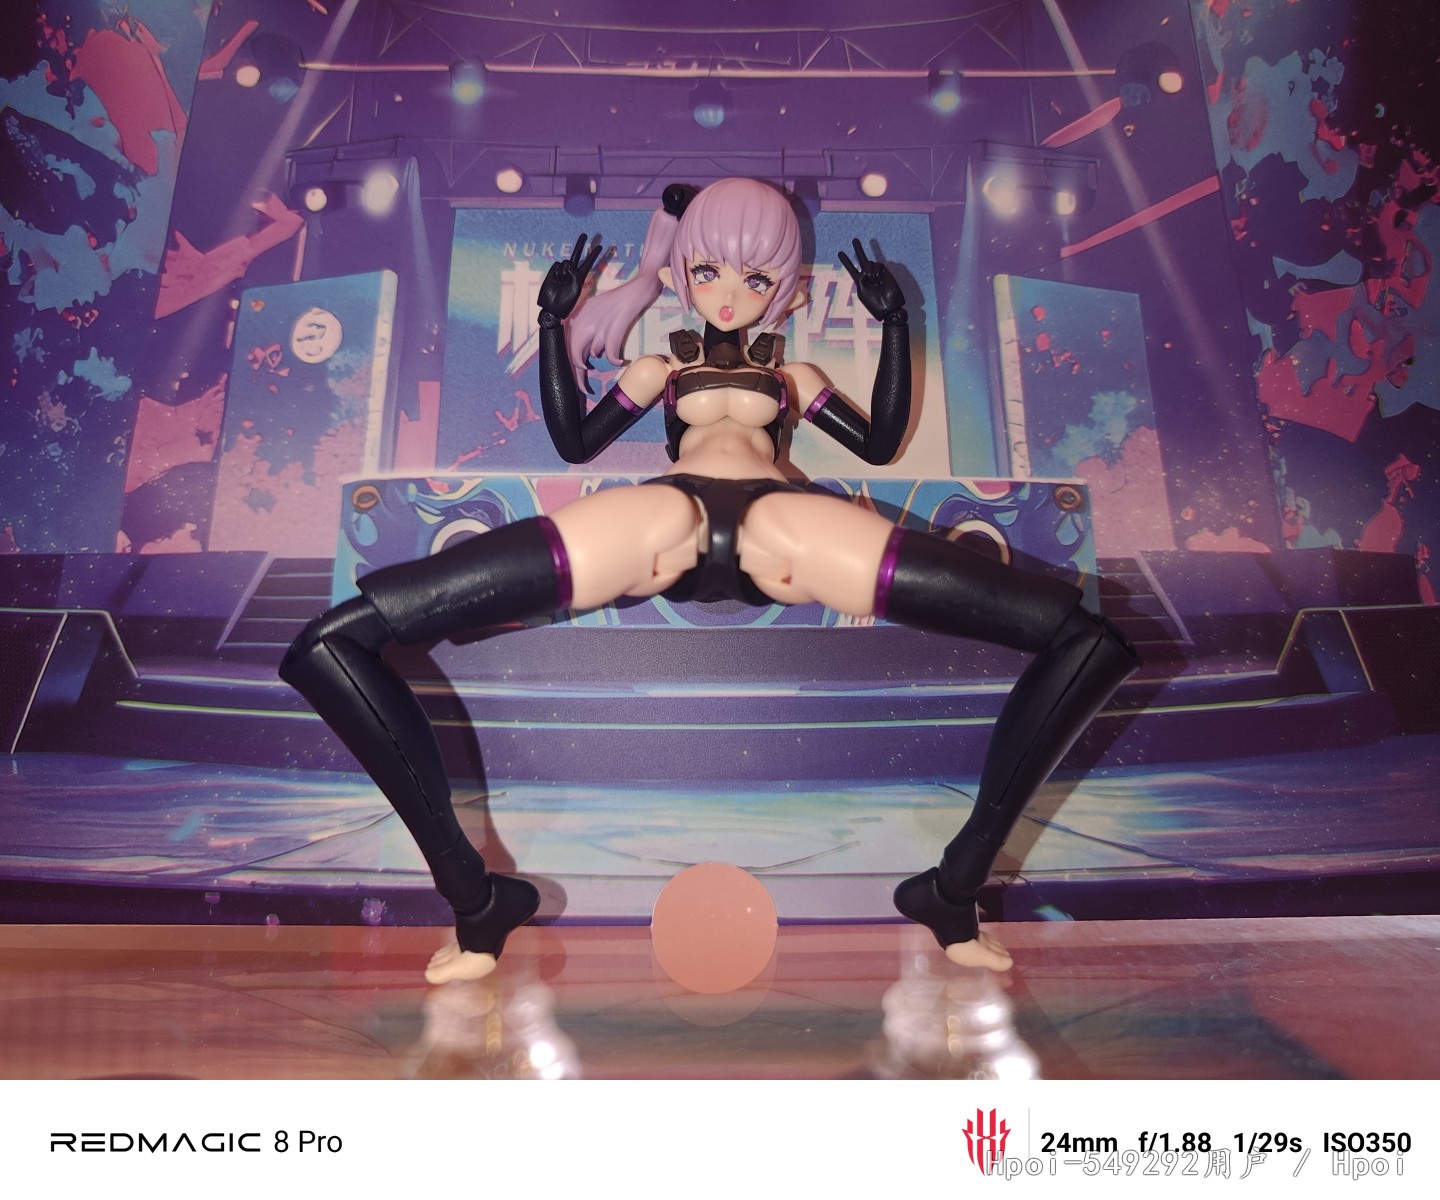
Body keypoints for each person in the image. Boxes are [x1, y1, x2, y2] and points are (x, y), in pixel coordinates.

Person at [280, 177, 1137, 983]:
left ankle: (954, 887)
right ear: (683, 271)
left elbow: (879, 446)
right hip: (666, 515)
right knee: (334, 643)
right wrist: (551, 322)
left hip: (781, 521)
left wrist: (896, 324)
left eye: (756, 276)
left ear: (785, 288)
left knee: (1084, 640)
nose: (730, 292)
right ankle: (474, 901)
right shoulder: (659, 370)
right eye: (709, 270)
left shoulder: (794, 379)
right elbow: (575, 443)